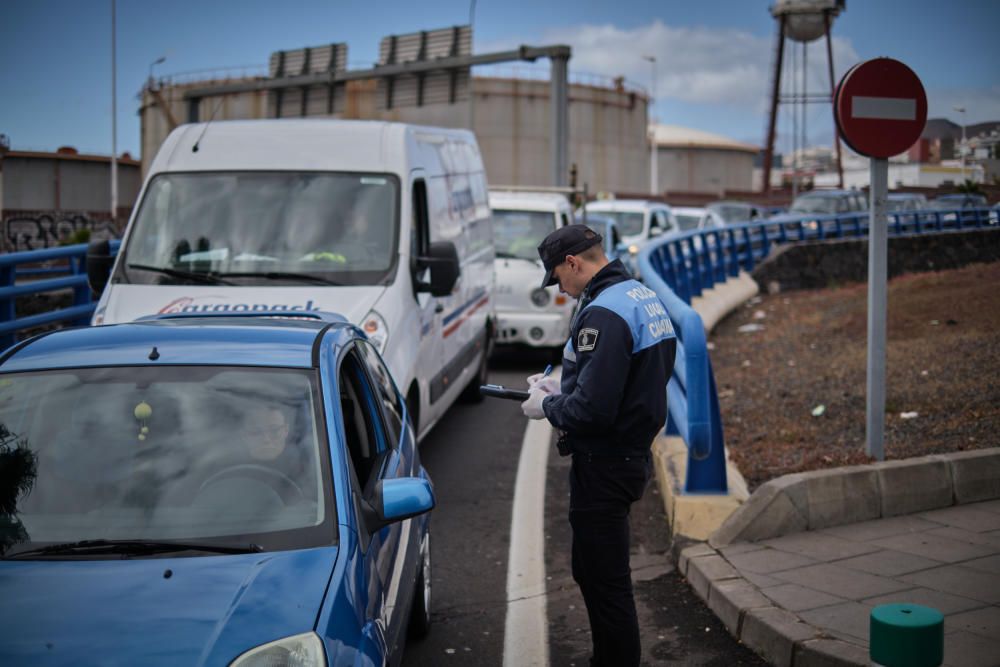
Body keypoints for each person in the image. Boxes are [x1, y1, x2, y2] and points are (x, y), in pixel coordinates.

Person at [520, 224, 676, 667]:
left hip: (605, 463)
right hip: (629, 453)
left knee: (605, 583)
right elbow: (632, 378)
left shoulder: (603, 311)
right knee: (595, 572)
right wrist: (560, 388)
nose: (561, 290)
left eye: (558, 278)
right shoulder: (639, 295)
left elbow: (593, 410)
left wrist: (548, 408)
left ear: (574, 263)